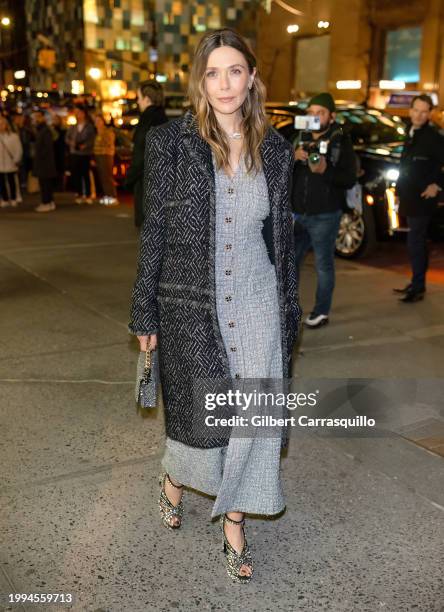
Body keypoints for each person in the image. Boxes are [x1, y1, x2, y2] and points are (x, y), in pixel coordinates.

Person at [128, 28, 301, 583]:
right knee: (203, 421)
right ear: (199, 82)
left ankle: (234, 521)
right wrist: (144, 312)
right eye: (212, 72)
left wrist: (287, 306)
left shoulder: (274, 147)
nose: (224, 83)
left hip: (256, 301)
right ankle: (175, 478)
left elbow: (280, 237)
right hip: (192, 302)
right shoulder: (170, 143)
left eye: (234, 71)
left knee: (254, 419)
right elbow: (153, 228)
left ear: (251, 77)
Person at [291, 93, 357, 328]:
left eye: (320, 112)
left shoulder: (340, 140)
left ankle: (321, 311)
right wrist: (293, 156)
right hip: (297, 213)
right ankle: (289, 309)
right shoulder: (299, 137)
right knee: (289, 264)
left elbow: (349, 178)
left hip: (325, 214)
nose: (314, 117)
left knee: (323, 264)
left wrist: (325, 170)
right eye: (310, 112)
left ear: (331, 116)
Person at [394, 94, 444, 303]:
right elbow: (406, 165)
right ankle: (416, 281)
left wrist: (438, 185)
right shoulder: (410, 131)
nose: (419, 115)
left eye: (424, 111)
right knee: (415, 241)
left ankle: (418, 286)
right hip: (409, 196)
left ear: (430, 113)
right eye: (416, 110)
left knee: (416, 241)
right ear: (410, 110)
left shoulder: (434, 137)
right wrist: (398, 192)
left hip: (423, 198)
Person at [124, 80, 168, 227]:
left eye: (139, 97)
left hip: (146, 181)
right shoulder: (164, 119)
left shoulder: (146, 121)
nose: (137, 101)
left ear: (147, 99)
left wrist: (128, 178)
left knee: (149, 233)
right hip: (162, 182)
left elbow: (141, 153)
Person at [65, 106, 95, 204]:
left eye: (79, 113)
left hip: (85, 153)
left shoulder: (89, 126)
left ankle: (87, 194)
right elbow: (67, 138)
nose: (78, 115)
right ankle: (79, 193)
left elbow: (92, 139)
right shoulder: (73, 126)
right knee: (76, 174)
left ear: (84, 114)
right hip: (74, 153)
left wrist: (85, 146)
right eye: (76, 113)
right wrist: (72, 143)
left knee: (85, 174)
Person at [32, 110, 57, 213]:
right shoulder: (41, 129)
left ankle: (46, 202)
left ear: (43, 117)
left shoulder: (45, 130)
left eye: (38, 117)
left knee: (45, 184)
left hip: (45, 162)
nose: (36, 119)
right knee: (45, 183)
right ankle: (49, 202)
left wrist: (40, 156)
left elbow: (47, 147)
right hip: (45, 162)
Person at [93, 114, 118, 205]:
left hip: (106, 155)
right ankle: (107, 195)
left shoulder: (108, 132)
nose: (97, 123)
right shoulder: (97, 133)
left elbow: (109, 144)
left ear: (103, 122)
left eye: (99, 121)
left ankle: (113, 196)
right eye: (95, 121)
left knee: (107, 176)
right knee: (102, 176)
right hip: (98, 156)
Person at [0, 115, 23, 208]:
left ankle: (13, 198)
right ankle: (4, 199)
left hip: (11, 162)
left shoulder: (13, 136)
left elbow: (18, 149)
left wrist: (16, 159)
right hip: (1, 163)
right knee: (1, 182)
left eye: (2, 124)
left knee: (12, 181)